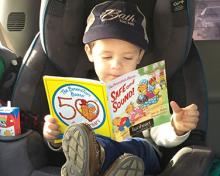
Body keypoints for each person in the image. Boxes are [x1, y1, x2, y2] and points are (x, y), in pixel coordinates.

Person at [43, 1, 199, 175]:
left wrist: (176, 126)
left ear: (139, 56)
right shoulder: (77, 94)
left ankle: (99, 158)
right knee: (88, 140)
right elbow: (70, 140)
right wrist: (53, 135)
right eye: (107, 56)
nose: (116, 65)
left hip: (140, 154)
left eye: (127, 57)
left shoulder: (144, 90)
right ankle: (95, 160)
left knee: (140, 147)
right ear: (89, 52)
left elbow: (160, 135)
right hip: (94, 150)